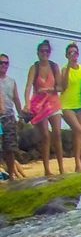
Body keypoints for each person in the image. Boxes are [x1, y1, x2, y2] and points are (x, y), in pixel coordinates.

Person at [24, 39, 64, 177]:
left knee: (57, 133)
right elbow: (28, 86)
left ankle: (61, 168)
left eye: (47, 51)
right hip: (40, 104)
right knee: (45, 136)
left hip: (53, 102)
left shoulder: (54, 66)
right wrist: (27, 103)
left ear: (50, 53)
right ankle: (47, 169)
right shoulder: (34, 68)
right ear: (38, 53)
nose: (45, 53)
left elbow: (60, 87)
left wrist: (49, 89)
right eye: (42, 51)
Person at [58, 42, 81, 172]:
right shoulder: (64, 69)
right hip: (66, 105)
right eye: (70, 53)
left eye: (75, 52)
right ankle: (77, 164)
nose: (73, 55)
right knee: (79, 130)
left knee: (80, 135)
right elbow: (63, 87)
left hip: (80, 104)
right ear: (66, 55)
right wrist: (69, 67)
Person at [0, 53, 26, 181]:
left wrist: (20, 114)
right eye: (1, 63)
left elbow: (16, 98)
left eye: (6, 63)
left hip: (9, 117)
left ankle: (11, 176)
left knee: (9, 148)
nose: (4, 65)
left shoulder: (11, 81)